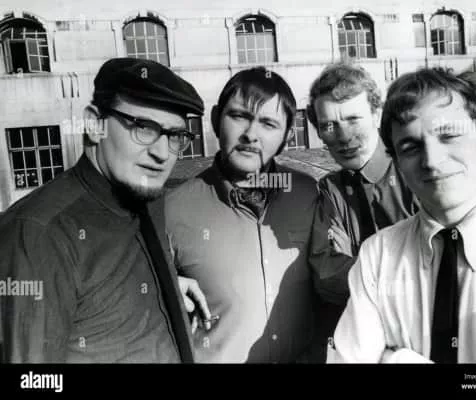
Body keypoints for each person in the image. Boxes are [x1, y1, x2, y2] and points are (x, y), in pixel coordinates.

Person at [0, 57, 209, 363]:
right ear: (94, 124)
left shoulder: (146, 196)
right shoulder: (37, 233)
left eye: (175, 136)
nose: (162, 153)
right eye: (144, 127)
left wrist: (162, 289)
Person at [329, 67, 476, 363]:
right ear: (396, 160)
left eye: (449, 135)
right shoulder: (377, 256)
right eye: (410, 147)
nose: (432, 160)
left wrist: (397, 360)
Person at [165, 67, 321, 363]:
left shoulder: (309, 195)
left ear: (288, 136)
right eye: (239, 116)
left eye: (268, 124)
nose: (251, 135)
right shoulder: (170, 211)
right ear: (215, 119)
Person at [306, 63, 418, 346]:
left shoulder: (415, 172)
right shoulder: (330, 189)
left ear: (377, 115)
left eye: (353, 119)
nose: (344, 137)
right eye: (329, 125)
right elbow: (327, 276)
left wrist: (358, 268)